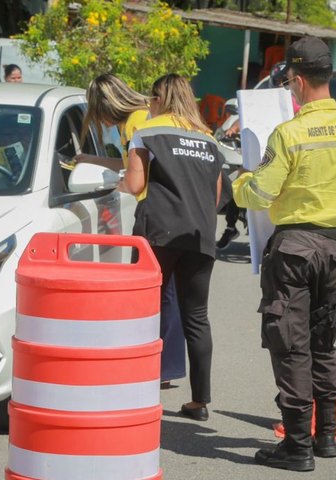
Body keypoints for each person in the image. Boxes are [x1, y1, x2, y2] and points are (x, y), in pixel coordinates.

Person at [232, 36, 336, 472]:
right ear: (330, 77)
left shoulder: (289, 132)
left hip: (293, 249)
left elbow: (259, 193)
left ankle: (297, 446)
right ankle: (326, 436)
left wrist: (240, 180)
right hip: (334, 250)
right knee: (323, 342)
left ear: (295, 81)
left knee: (291, 348)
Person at [122, 73, 224, 421]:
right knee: (197, 318)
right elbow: (216, 195)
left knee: (145, 312)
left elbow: (136, 185)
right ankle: (200, 401)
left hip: (159, 233)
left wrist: (119, 179)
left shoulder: (147, 132)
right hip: (200, 235)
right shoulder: (208, 138)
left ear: (158, 99)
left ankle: (138, 390)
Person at [75, 73, 187, 387]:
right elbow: (129, 164)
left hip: (157, 213)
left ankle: (162, 366)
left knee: (160, 293)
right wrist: (90, 159)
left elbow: (139, 174)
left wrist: (122, 183)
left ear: (105, 106)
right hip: (167, 212)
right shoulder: (136, 120)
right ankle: (166, 366)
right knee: (167, 293)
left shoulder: (138, 122)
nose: (97, 119)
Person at [217, 62, 299, 250]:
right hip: (262, 154)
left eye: (284, 80)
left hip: (286, 156)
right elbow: (246, 115)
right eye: (278, 80)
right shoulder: (263, 99)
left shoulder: (296, 103)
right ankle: (230, 226)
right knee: (238, 182)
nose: (280, 84)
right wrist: (233, 128)